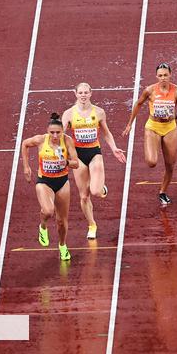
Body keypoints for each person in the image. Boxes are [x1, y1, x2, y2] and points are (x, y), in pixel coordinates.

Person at [61, 83, 125, 241]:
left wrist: (114, 148)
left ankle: (101, 188)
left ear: (91, 93)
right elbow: (61, 137)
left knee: (95, 192)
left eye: (86, 92)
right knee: (84, 196)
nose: (83, 95)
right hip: (78, 156)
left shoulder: (99, 112)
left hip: (94, 152)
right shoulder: (68, 114)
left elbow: (106, 133)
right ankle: (92, 225)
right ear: (75, 93)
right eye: (80, 92)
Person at [123, 63, 177, 205]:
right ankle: (149, 145)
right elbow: (138, 104)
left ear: (170, 74)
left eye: (165, 75)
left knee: (170, 165)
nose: (163, 78)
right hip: (153, 127)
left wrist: (174, 116)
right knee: (151, 162)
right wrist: (129, 124)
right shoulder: (150, 90)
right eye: (160, 75)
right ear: (156, 76)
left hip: (170, 128)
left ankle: (162, 192)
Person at [22, 113, 78, 260]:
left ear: (62, 131)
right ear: (47, 131)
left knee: (61, 221)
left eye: (58, 132)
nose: (54, 135)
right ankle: (43, 226)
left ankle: (62, 245)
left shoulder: (67, 141)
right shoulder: (41, 140)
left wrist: (66, 163)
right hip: (44, 182)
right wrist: (26, 167)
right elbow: (25, 144)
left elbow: (76, 163)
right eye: (52, 132)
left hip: (62, 182)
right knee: (48, 211)